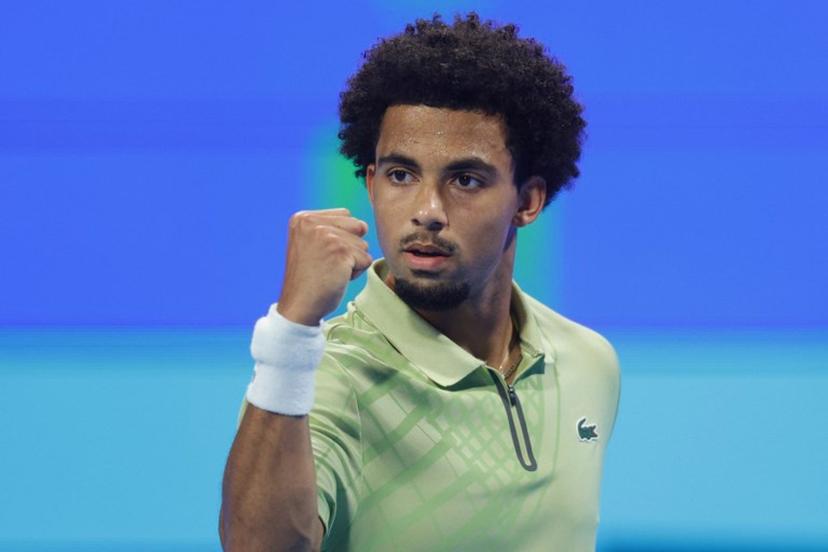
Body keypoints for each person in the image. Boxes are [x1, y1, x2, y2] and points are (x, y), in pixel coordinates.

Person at [220, 12, 621, 552]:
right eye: (401, 175)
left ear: (527, 201)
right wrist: (292, 331)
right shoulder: (329, 377)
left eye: (465, 179)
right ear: (371, 183)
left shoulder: (589, 361)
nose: (427, 211)